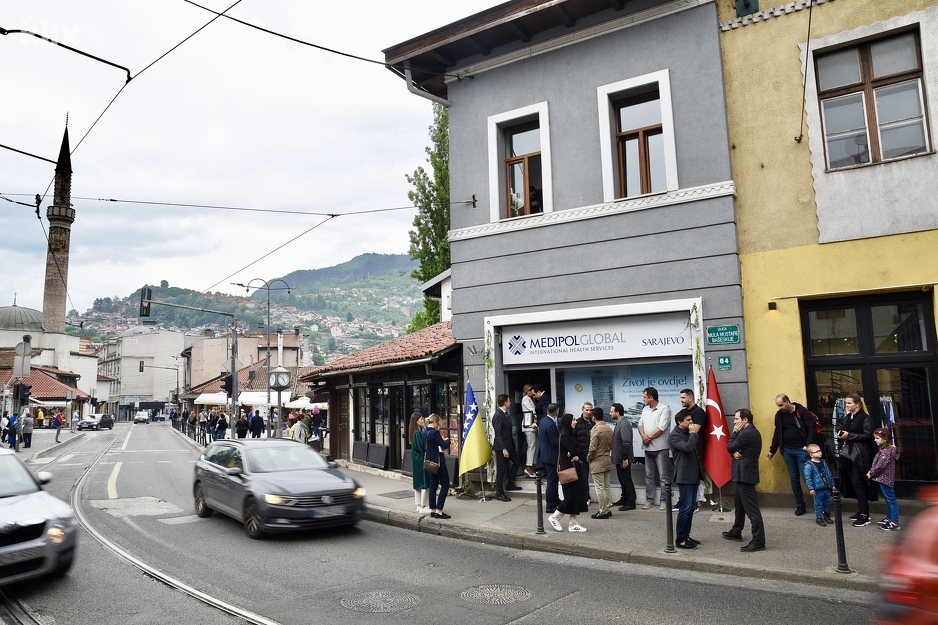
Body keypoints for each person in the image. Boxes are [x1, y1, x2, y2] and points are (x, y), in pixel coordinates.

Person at [767, 394, 818, 516]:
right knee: (794, 480)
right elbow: (777, 433)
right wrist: (772, 450)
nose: (780, 408)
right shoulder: (779, 415)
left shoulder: (801, 411)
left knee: (807, 478)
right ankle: (800, 505)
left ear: (788, 402)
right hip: (788, 451)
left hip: (802, 450)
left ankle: (820, 506)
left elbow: (812, 427)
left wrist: (808, 445)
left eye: (781, 405)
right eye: (778, 406)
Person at [724, 409, 766, 552]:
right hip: (743, 474)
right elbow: (734, 449)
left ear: (745, 420)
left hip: (745, 475)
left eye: (737, 419)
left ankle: (758, 540)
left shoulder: (746, 433)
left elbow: (729, 446)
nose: (734, 422)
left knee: (752, 510)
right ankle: (736, 531)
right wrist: (734, 451)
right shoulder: (749, 433)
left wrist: (734, 433)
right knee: (739, 505)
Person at [838, 392, 875, 527]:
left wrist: (849, 435)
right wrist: (841, 433)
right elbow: (843, 429)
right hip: (849, 454)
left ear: (857, 404)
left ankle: (865, 515)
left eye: (849, 403)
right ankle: (862, 511)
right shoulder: (848, 417)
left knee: (858, 483)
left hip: (860, 456)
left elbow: (868, 435)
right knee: (854, 483)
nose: (846, 405)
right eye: (846, 403)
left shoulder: (865, 418)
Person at [548, 414, 587, 533]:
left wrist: (576, 454)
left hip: (574, 469)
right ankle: (555, 517)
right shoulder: (565, 435)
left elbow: (579, 451)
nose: (576, 422)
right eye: (573, 420)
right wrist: (575, 454)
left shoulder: (570, 433)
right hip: (569, 470)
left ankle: (573, 524)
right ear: (568, 421)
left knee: (576, 496)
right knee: (570, 497)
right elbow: (576, 450)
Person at [669, 411, 702, 549]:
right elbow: (687, 448)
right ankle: (680, 539)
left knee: (691, 508)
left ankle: (686, 535)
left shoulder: (687, 433)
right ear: (679, 422)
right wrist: (694, 434)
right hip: (685, 476)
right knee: (685, 507)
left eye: (691, 419)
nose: (691, 422)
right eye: (688, 420)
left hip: (693, 474)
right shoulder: (674, 436)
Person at [673, 388, 707, 512]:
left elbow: (694, 431)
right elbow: (678, 428)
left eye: (683, 398)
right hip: (683, 448)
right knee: (684, 477)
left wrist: (685, 429)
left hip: (695, 449)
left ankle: (693, 504)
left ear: (690, 398)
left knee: (692, 478)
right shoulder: (683, 412)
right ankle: (683, 502)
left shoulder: (698, 412)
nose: (681, 400)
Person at [638, 387, 672, 509]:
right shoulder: (645, 409)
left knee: (663, 476)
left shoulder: (664, 409)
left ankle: (664, 500)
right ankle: (649, 499)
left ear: (651, 398)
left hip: (661, 448)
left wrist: (648, 438)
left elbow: (661, 427)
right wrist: (643, 436)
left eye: (645, 397)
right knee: (649, 475)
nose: (643, 399)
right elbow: (640, 424)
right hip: (648, 448)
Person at [867, 428, 900, 531]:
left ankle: (894, 522)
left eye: (877, 438)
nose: (875, 440)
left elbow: (880, 466)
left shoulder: (885, 452)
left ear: (885, 439)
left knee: (891, 500)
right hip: (885, 479)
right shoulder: (888, 450)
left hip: (884, 479)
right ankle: (889, 518)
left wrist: (871, 473)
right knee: (888, 499)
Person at [492, 394, 521, 501]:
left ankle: (510, 483)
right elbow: (498, 434)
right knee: (501, 470)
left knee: (517, 462)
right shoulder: (498, 415)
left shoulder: (505, 414)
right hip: (502, 447)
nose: (510, 402)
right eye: (509, 401)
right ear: (505, 402)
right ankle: (499, 493)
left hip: (510, 445)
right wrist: (504, 449)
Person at [587, 407, 614, 519]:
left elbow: (592, 447)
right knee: (607, 486)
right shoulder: (609, 428)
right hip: (607, 459)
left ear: (593, 417)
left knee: (599, 487)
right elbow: (612, 444)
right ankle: (607, 509)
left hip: (597, 461)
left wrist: (588, 458)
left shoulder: (595, 429)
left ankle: (602, 511)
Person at [424, 414, 451, 519]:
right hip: (439, 462)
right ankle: (439, 511)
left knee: (433, 486)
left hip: (430, 462)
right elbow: (444, 445)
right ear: (435, 422)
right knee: (445, 485)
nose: (439, 424)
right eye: (439, 422)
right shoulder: (434, 433)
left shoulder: (424, 432)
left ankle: (433, 509)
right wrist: (447, 440)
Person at [610, 402, 636, 511]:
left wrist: (625, 458)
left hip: (623, 459)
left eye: (612, 411)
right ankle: (624, 498)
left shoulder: (624, 424)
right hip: (619, 458)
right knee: (622, 479)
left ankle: (631, 502)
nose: (610, 413)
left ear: (617, 412)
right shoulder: (619, 423)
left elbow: (626, 442)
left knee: (626, 479)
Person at [803, 443, 835, 527]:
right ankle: (819, 518)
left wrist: (832, 484)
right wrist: (811, 488)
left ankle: (826, 516)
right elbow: (808, 478)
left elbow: (829, 474)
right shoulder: (808, 466)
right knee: (818, 504)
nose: (819, 452)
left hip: (826, 487)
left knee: (826, 503)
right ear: (811, 454)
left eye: (820, 450)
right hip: (817, 489)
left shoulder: (823, 462)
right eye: (816, 451)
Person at [538, 403, 561, 514]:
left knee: (553, 479)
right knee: (552, 480)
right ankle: (550, 504)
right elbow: (554, 442)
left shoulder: (543, 421)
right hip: (551, 456)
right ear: (557, 412)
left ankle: (555, 500)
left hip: (545, 455)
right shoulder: (551, 424)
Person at [408, 412, 430, 514]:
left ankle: (418, 504)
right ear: (416, 421)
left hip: (416, 459)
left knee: (418, 482)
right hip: (420, 459)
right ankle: (423, 505)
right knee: (424, 481)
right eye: (421, 419)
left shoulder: (414, 432)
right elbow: (422, 448)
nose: (423, 420)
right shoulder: (417, 433)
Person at [575, 402, 594, 508]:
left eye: (590, 410)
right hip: (582, 455)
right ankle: (586, 497)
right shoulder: (577, 422)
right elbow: (574, 439)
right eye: (587, 410)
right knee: (583, 478)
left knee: (598, 477)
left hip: (594, 455)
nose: (589, 412)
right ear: (582, 409)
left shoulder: (594, 422)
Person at [520, 384, 538, 478]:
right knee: (531, 446)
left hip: (533, 425)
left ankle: (532, 465)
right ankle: (528, 467)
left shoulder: (531, 399)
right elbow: (533, 410)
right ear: (526, 391)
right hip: (529, 426)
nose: (532, 391)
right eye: (530, 390)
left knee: (535, 446)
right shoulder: (525, 399)